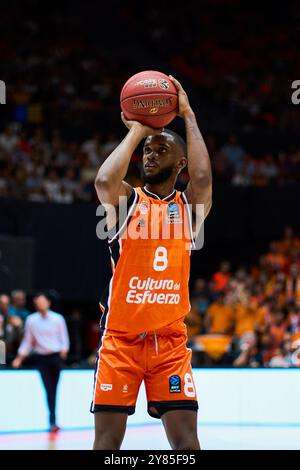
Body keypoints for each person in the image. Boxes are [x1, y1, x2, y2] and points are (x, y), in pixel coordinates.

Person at [91, 75, 212, 450]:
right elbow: (103, 179)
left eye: (160, 150)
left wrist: (188, 115)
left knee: (187, 445)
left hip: (170, 344)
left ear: (180, 164)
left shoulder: (187, 210)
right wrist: (138, 131)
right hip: (121, 342)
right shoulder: (127, 204)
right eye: (147, 151)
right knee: (107, 445)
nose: (149, 154)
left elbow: (204, 177)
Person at [12, 293, 70, 432]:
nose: (39, 304)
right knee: (48, 389)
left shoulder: (58, 319)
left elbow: (64, 339)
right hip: (41, 358)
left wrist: (64, 352)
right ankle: (52, 422)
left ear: (48, 303)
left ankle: (54, 421)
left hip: (55, 357)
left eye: (42, 301)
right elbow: (28, 341)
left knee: (54, 390)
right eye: (37, 302)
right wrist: (19, 358)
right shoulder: (31, 320)